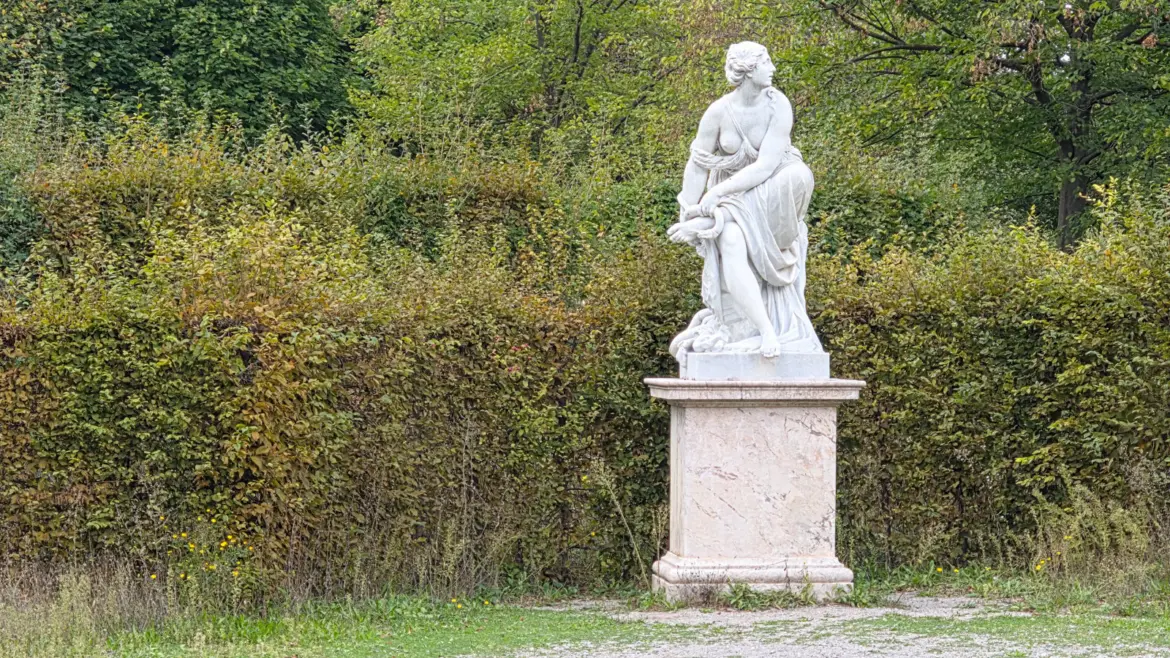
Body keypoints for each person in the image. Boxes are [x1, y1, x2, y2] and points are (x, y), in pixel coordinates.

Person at [668, 41, 823, 360]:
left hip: (776, 187)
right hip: (733, 197)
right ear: (749, 70)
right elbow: (698, 165)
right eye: (767, 62)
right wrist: (687, 208)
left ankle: (714, 218)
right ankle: (766, 330)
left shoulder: (778, 104)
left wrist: (715, 197)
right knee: (732, 241)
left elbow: (765, 167)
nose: (773, 68)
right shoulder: (718, 112)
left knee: (800, 174)